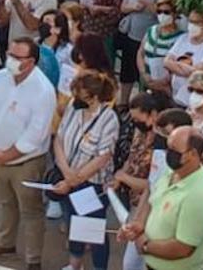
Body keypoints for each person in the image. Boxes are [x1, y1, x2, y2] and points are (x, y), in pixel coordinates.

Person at [0, 37, 57, 270]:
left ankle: (33, 260)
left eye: (16, 57)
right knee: (5, 203)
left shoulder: (43, 90)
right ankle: (5, 243)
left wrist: (6, 156)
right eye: (10, 54)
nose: (10, 60)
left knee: (31, 211)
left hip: (25, 163)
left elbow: (36, 134)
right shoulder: (1, 77)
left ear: (30, 62)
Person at [118, 127, 203, 270]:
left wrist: (145, 245)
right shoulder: (171, 172)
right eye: (168, 147)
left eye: (174, 150)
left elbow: (182, 249)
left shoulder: (199, 194)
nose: (168, 153)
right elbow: (154, 201)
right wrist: (140, 226)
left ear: (192, 154)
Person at [53, 72, 120, 270]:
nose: (76, 100)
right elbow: (59, 139)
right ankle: (75, 265)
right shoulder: (73, 109)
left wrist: (72, 180)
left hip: (93, 184)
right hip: (68, 176)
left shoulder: (109, 119)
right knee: (74, 224)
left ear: (95, 97)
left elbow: (102, 158)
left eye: (82, 96)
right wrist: (66, 172)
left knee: (92, 230)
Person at [165, 11, 203, 106]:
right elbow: (166, 62)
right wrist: (188, 70)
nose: (192, 25)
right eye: (190, 21)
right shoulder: (183, 38)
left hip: (197, 101)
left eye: (197, 22)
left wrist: (176, 65)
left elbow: (198, 71)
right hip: (177, 97)